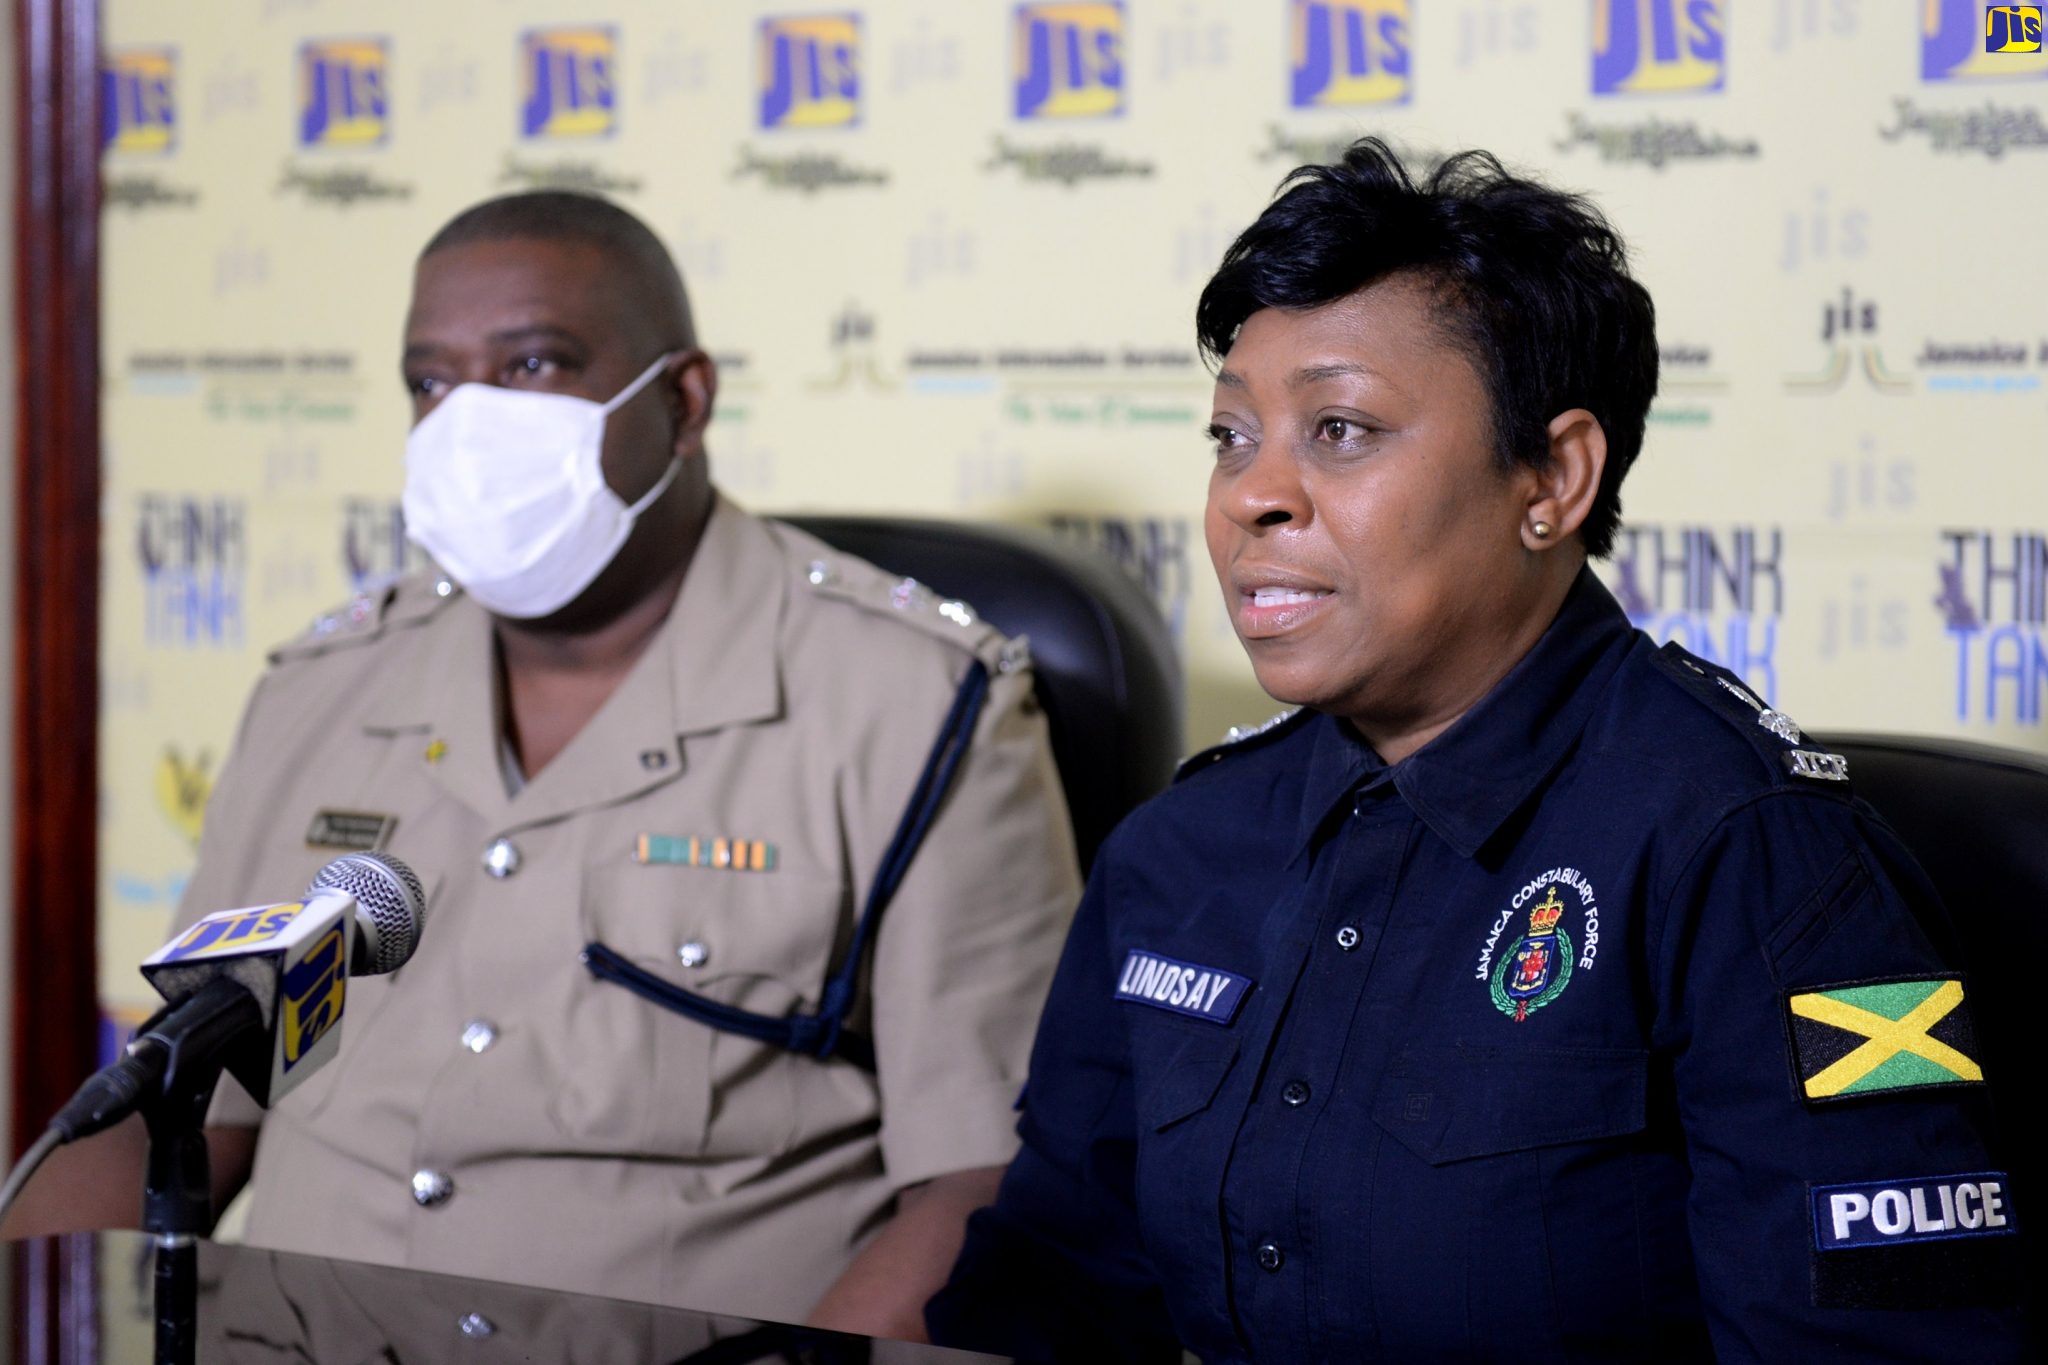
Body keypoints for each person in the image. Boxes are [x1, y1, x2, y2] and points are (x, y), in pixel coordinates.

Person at [926, 141, 2029, 1361]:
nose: (1250, 496)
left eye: (1339, 428)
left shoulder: (1757, 854)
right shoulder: (1180, 849)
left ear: (1550, 478)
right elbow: (1046, 1294)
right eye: (1231, 436)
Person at [5, 191, 1081, 1339]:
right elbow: (181, 1104)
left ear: (681, 402)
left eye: (530, 365)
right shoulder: (323, 691)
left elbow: (980, 1186)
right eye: (430, 382)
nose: (467, 421)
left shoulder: (912, 707)